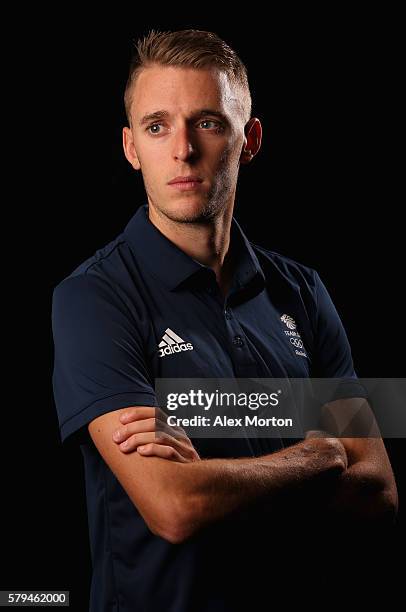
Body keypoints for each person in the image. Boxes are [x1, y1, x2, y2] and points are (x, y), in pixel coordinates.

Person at [51, 29, 398, 612]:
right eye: (157, 126)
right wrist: (318, 453)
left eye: (208, 122)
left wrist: (202, 435)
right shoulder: (92, 297)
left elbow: (381, 490)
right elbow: (175, 508)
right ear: (131, 147)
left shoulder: (304, 291)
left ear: (250, 138)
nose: (182, 150)